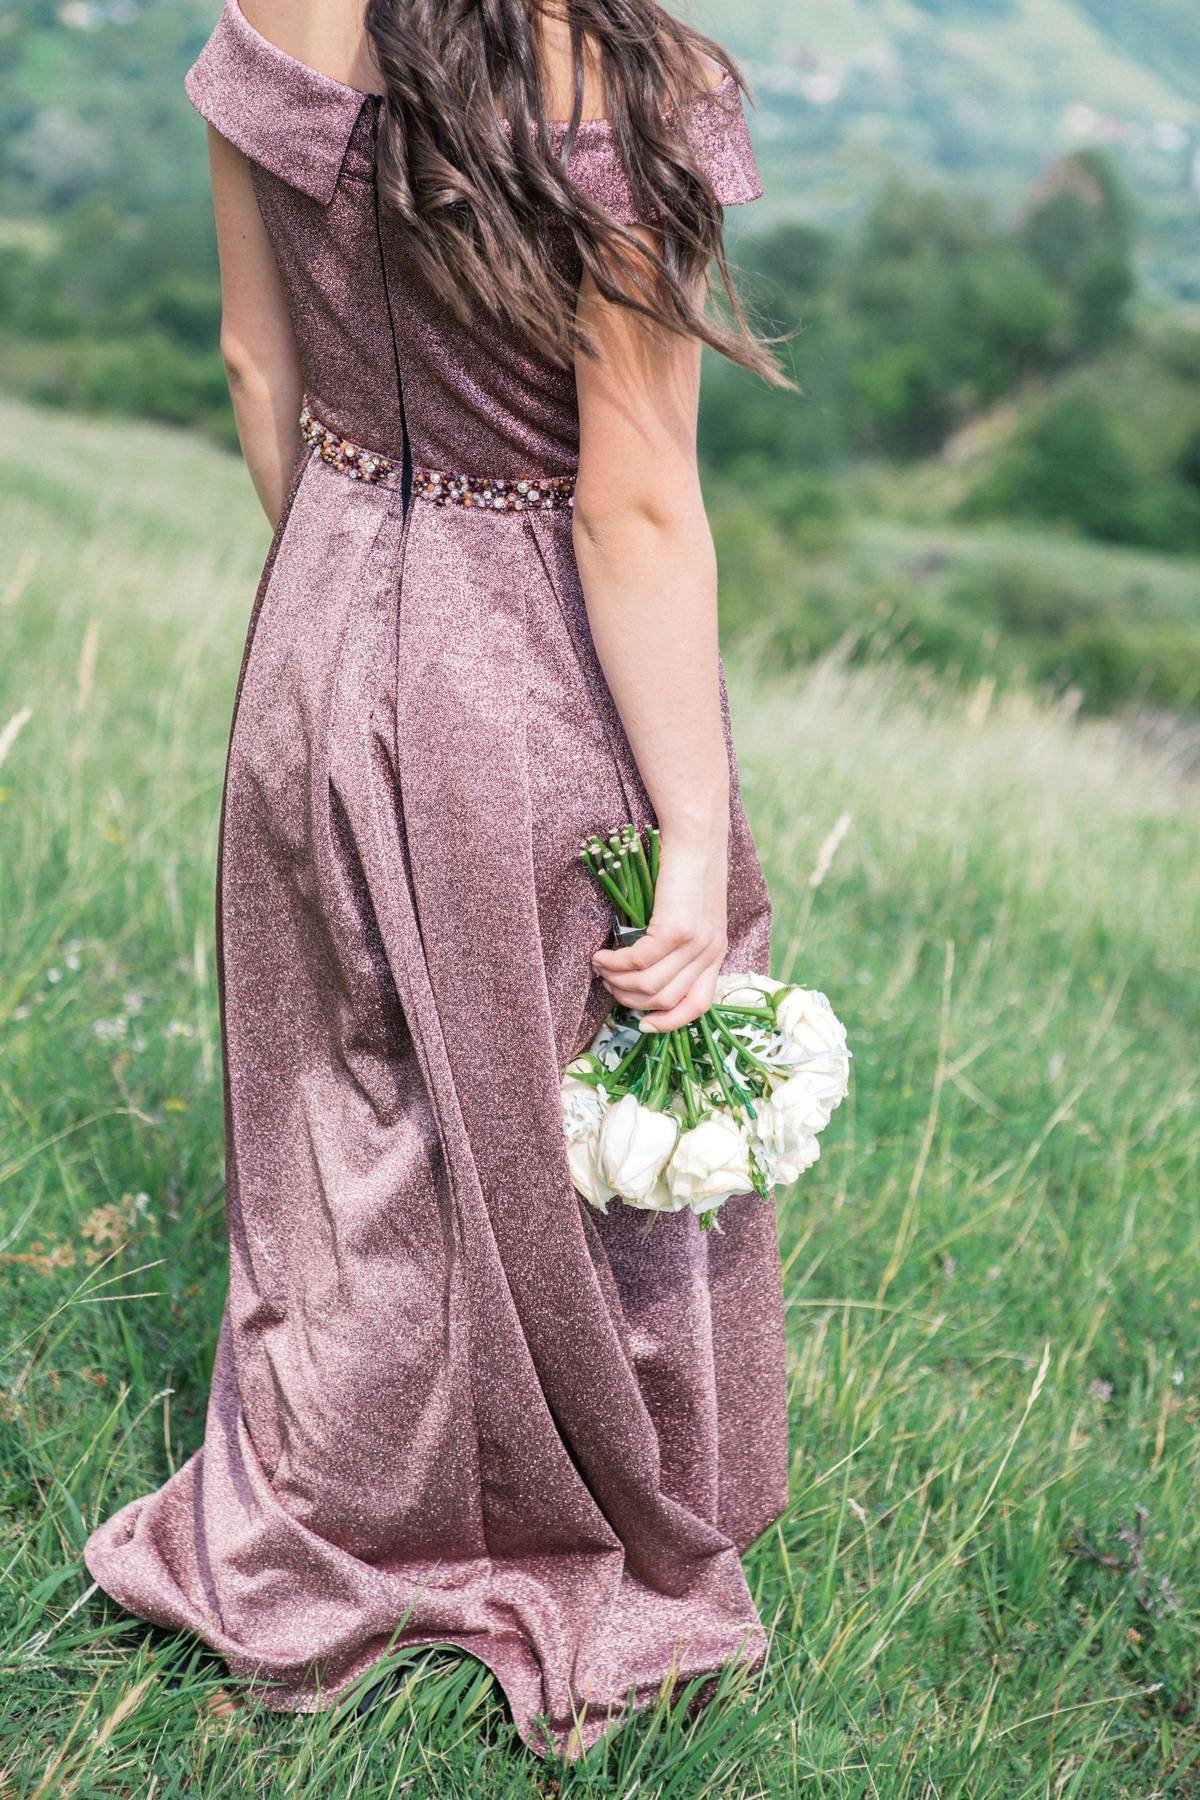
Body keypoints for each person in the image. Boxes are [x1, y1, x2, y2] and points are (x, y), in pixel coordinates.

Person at [83, 0, 790, 1759]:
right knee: (559, 1120)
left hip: (320, 617)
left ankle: (330, 1497)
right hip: (526, 665)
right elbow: (634, 507)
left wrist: (350, 616)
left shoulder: (268, 11)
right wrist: (693, 838)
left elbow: (263, 371)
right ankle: (536, 1516)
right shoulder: (630, 77)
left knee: (349, 1114)